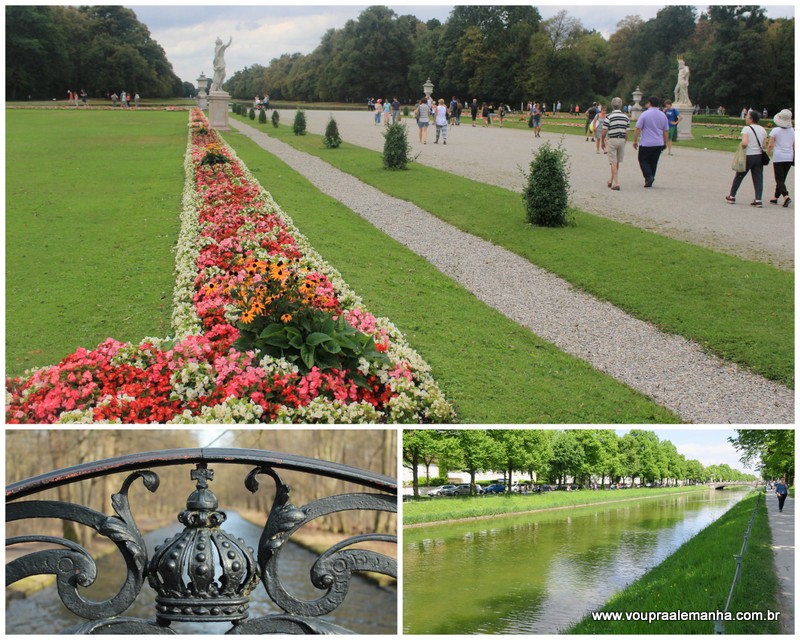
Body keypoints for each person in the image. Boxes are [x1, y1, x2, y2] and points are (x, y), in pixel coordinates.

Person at [725, 109, 767, 207]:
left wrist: (742, 146)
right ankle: (758, 199)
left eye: (747, 116)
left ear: (751, 119)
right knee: (758, 178)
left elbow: (744, 143)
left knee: (739, 176)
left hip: (748, 156)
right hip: (759, 157)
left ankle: (732, 196)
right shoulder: (762, 129)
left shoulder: (746, 129)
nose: (745, 117)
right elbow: (764, 145)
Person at [632, 96, 669, 188]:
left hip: (646, 142)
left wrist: (635, 140)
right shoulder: (662, 115)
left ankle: (648, 176)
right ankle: (651, 177)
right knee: (653, 162)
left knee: (643, 160)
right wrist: (665, 142)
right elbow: (665, 131)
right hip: (658, 142)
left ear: (649, 103)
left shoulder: (645, 114)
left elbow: (638, 128)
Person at [601, 97, 630, 190]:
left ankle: (616, 183)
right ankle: (611, 180)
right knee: (616, 161)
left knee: (613, 161)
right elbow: (627, 131)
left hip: (612, 139)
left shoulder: (609, 116)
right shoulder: (626, 117)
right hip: (622, 139)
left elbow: (604, 130)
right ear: (621, 105)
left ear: (612, 105)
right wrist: (625, 140)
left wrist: (602, 141)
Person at [767, 108, 794, 207]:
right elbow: (794, 145)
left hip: (779, 157)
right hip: (789, 156)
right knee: (782, 178)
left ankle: (786, 196)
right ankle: (775, 197)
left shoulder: (775, 131)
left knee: (778, 178)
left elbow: (770, 145)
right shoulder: (793, 131)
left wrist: (767, 154)